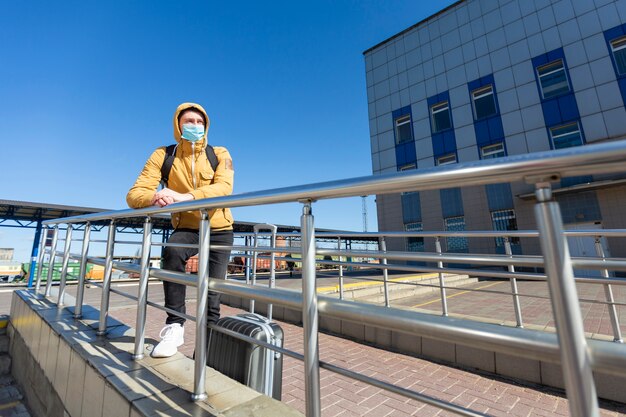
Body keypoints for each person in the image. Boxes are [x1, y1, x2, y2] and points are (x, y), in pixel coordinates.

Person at [127, 102, 234, 358]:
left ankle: (208, 345)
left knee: (212, 289)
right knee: (173, 252)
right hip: (186, 226)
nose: (195, 126)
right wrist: (155, 198)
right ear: (178, 125)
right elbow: (134, 194)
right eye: (189, 121)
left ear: (206, 127)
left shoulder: (219, 153)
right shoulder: (164, 155)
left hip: (219, 227)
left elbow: (224, 188)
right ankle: (174, 325)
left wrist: (183, 196)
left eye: (200, 122)